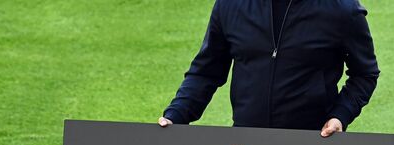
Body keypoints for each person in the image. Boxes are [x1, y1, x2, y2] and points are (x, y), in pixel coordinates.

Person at [157, 0, 379, 137]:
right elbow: (206, 72)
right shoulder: (230, 5)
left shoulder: (342, 9)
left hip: (313, 142)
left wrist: (340, 115)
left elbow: (364, 74)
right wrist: (176, 115)